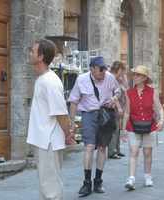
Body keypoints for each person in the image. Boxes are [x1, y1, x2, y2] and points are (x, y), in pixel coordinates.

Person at [26, 39, 75, 200]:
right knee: (45, 185)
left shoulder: (50, 81)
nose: (30, 53)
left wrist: (68, 135)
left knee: (51, 189)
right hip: (43, 140)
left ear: (40, 57)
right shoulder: (42, 79)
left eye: (33, 51)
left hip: (49, 141)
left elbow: (61, 113)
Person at [68, 56, 121, 197]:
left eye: (105, 69)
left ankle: (98, 181)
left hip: (105, 114)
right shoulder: (81, 79)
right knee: (89, 147)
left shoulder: (109, 77)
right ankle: (86, 183)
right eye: (100, 69)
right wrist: (72, 122)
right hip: (89, 115)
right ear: (92, 69)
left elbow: (118, 91)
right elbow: (73, 101)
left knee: (103, 147)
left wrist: (114, 99)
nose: (103, 72)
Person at [123, 65, 164, 190]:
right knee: (134, 152)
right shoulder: (129, 93)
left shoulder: (152, 92)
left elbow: (159, 108)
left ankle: (147, 176)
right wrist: (123, 129)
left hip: (149, 126)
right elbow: (127, 112)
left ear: (145, 78)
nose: (135, 77)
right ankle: (131, 178)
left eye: (138, 75)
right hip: (133, 125)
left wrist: (161, 120)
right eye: (134, 74)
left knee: (147, 152)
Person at [108, 61, 128, 159]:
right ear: (119, 69)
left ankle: (117, 149)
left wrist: (124, 78)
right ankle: (112, 151)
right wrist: (119, 107)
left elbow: (126, 88)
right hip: (114, 107)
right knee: (114, 129)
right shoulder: (111, 78)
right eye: (123, 70)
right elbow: (113, 94)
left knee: (118, 129)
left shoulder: (118, 79)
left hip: (119, 106)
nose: (124, 72)